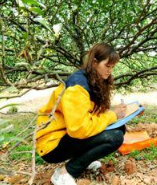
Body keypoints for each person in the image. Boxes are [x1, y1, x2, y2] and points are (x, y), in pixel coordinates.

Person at [36, 43, 127, 185]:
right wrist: (112, 115)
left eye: (112, 67)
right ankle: (65, 172)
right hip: (52, 143)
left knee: (120, 128)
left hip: (66, 134)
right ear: (95, 62)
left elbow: (93, 115)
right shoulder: (77, 86)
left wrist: (119, 114)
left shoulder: (93, 80)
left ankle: (84, 160)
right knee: (114, 137)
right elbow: (78, 129)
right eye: (107, 66)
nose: (109, 71)